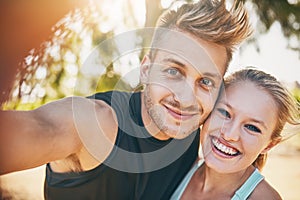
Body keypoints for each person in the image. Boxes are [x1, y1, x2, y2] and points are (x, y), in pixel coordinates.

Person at [0, 0, 251, 199]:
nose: (186, 98)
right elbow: (39, 128)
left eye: (205, 82)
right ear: (145, 69)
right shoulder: (95, 123)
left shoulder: (199, 132)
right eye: (173, 71)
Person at [171, 68, 300, 200]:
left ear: (270, 145)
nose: (229, 135)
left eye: (252, 127)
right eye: (225, 113)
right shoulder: (180, 168)